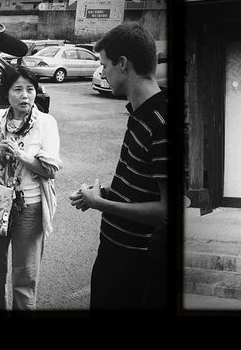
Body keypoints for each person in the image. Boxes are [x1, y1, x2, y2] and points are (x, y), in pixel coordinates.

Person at [69, 23, 169, 310]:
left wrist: (101, 204)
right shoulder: (139, 112)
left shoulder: (162, 123)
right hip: (114, 251)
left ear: (123, 64)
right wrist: (106, 193)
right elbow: (144, 186)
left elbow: (164, 210)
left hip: (137, 262)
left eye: (104, 65)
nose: (102, 73)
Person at [0, 65, 62, 311]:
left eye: (30, 89)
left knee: (25, 276)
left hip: (29, 207)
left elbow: (51, 170)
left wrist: (22, 155)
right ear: (7, 94)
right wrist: (0, 151)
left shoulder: (46, 122)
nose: (25, 95)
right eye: (18, 90)